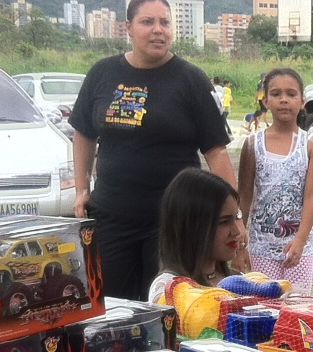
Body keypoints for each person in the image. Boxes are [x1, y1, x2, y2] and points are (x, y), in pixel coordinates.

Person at [70, 0, 239, 300]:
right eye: (148, 22)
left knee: (166, 307)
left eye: (165, 22)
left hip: (172, 224)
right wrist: (82, 188)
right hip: (111, 216)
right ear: (128, 29)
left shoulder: (191, 80)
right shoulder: (102, 73)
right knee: (110, 304)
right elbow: (83, 133)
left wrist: (233, 217)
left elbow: (217, 153)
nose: (158, 30)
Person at [238, 68, 313, 295]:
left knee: (295, 310)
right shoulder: (252, 145)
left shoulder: (311, 146)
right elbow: (244, 195)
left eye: (291, 94)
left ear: (302, 101)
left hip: (298, 249)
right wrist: (239, 244)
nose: (284, 100)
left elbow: (312, 197)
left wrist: (301, 240)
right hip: (261, 246)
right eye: (276, 94)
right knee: (263, 308)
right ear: (265, 101)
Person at [148, 168, 244, 302]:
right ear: (193, 227)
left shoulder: (240, 282)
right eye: (223, 222)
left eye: (237, 217)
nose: (236, 231)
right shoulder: (169, 290)